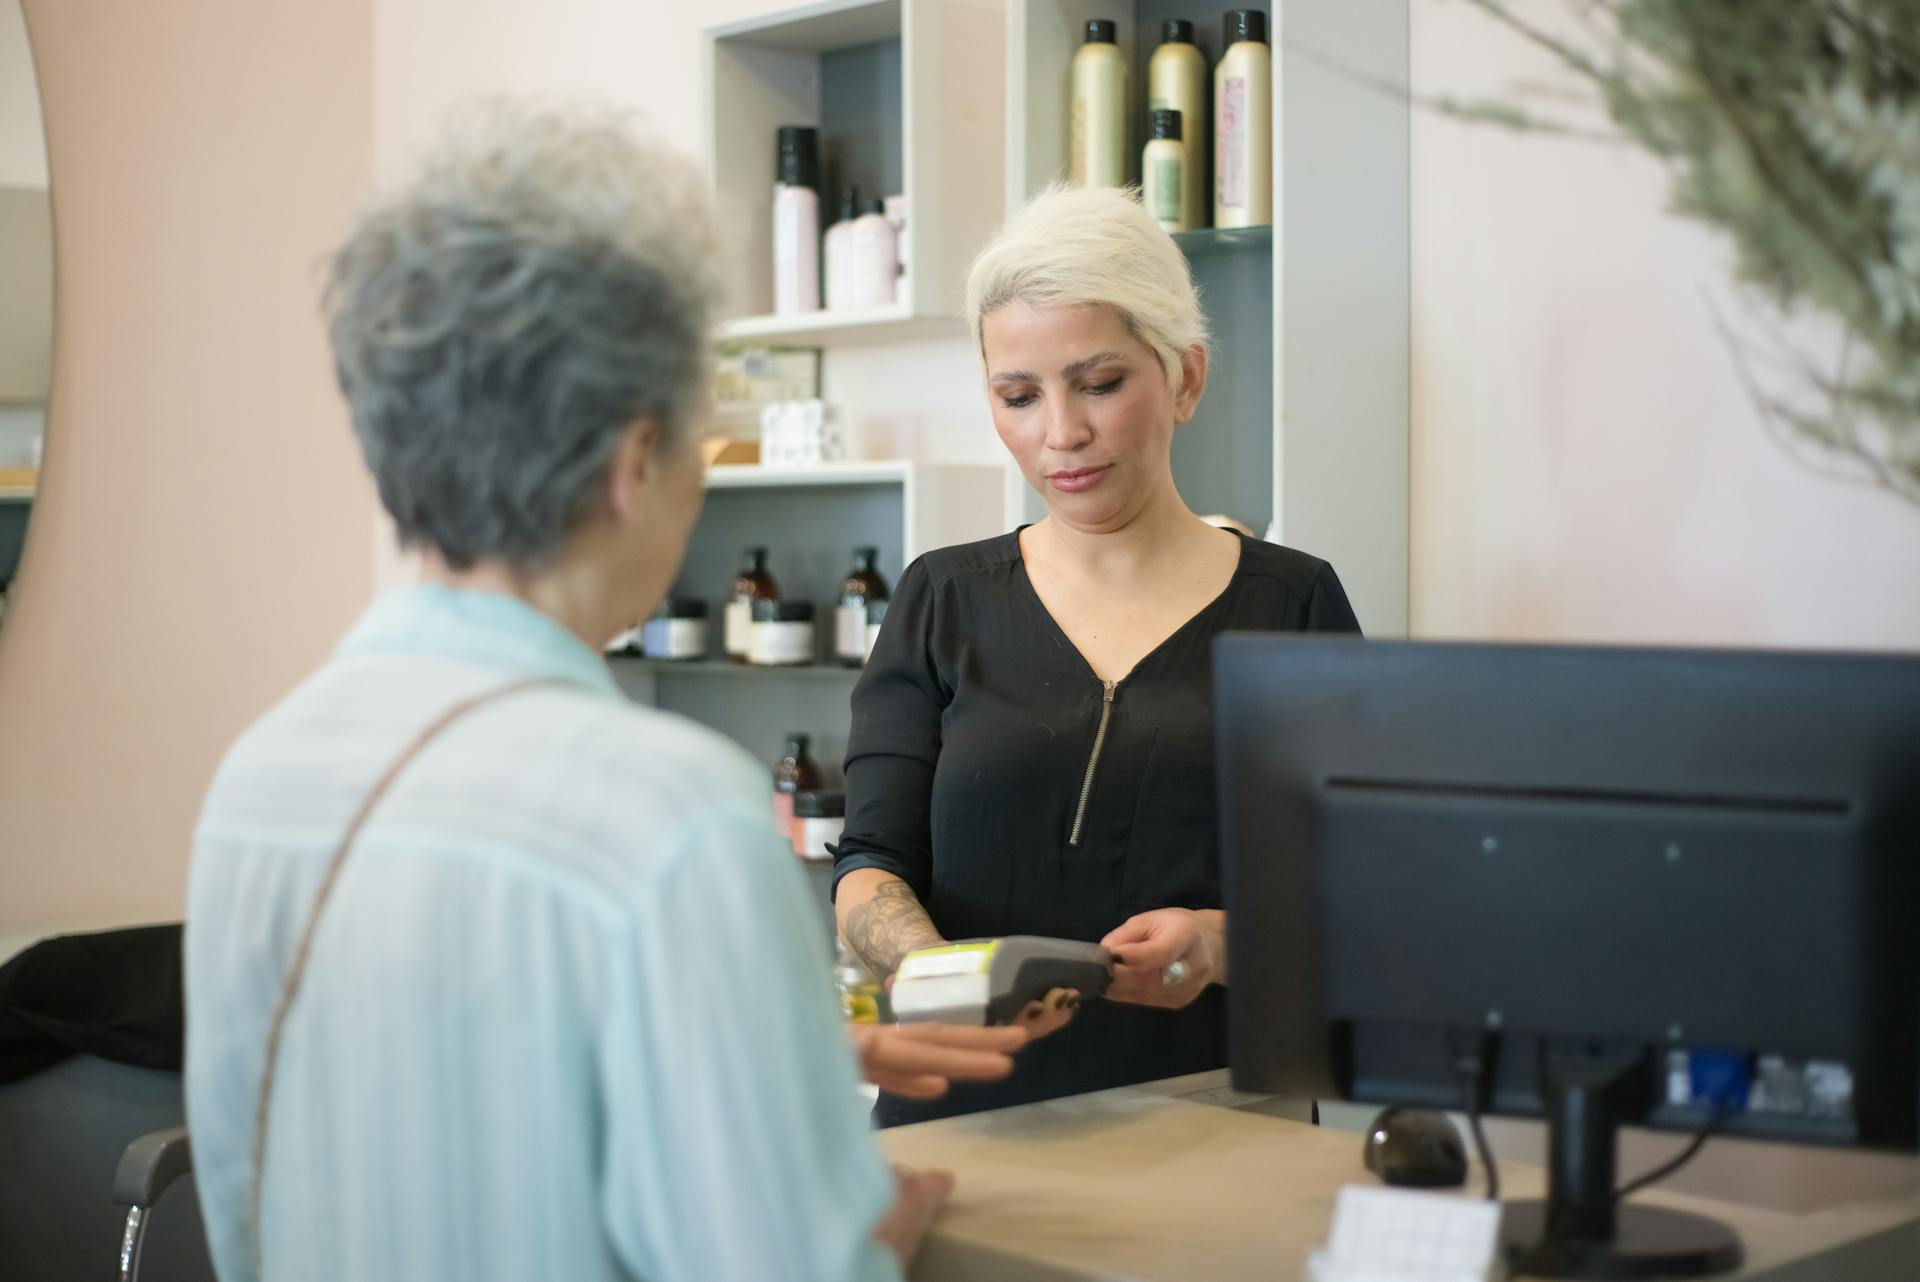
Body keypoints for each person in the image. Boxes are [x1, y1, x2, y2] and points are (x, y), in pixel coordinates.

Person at [183, 105, 1027, 1282]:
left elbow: (296, 1175)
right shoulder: (667, 816)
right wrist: (882, 1217)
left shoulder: (260, 779)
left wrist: (772, 1058)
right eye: (699, 441)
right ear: (635, 464)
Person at [832, 184, 1363, 1127]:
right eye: (1018, 396)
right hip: (967, 1122)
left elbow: (1356, 894)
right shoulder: (941, 599)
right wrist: (932, 970)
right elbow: (872, 865)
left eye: (1101, 383)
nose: (1060, 435)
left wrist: (1215, 944)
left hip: (1216, 1124)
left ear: (1186, 379)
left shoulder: (1293, 604)